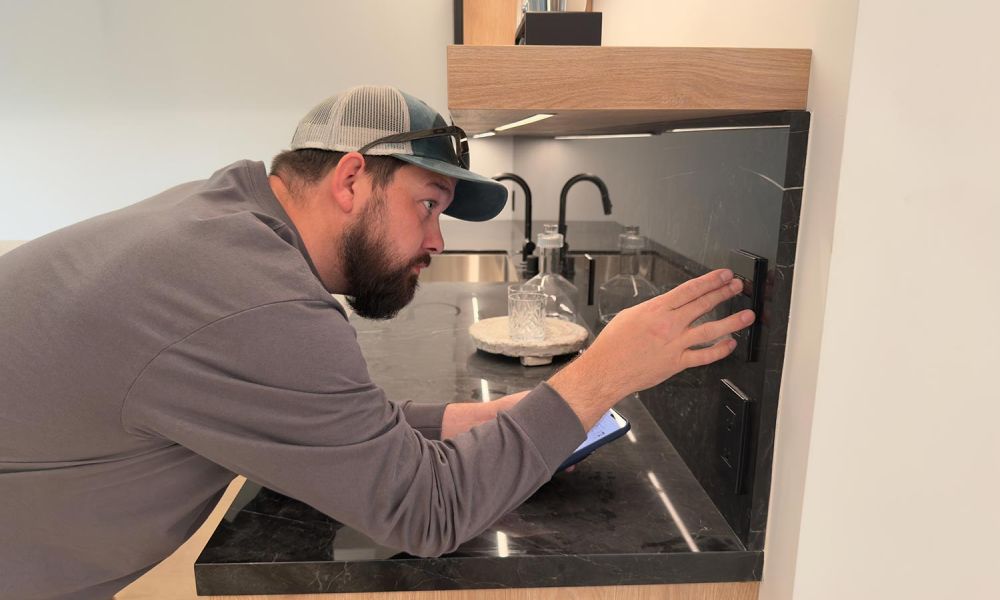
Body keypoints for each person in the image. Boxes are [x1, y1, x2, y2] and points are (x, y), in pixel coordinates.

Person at [0, 85, 753, 600]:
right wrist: (598, 375)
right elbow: (423, 512)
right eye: (427, 205)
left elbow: (323, 419)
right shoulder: (255, 298)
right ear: (352, 178)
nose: (436, 240)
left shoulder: (226, 225)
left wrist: (490, 417)